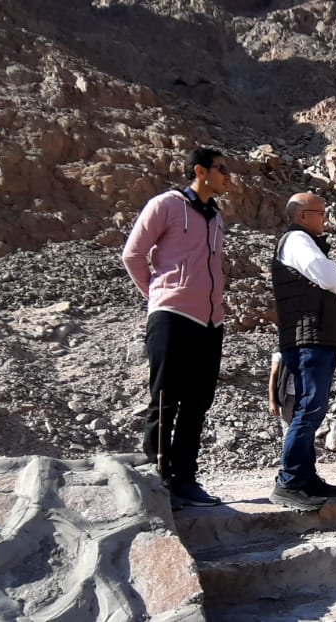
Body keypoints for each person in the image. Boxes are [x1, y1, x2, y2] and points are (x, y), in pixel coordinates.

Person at [121, 147, 231, 508]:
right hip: (171, 315)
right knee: (165, 398)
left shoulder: (216, 216)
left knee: (198, 402)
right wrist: (159, 295)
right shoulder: (166, 205)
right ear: (200, 171)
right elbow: (133, 254)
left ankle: (185, 480)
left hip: (211, 321)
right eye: (221, 169)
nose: (227, 176)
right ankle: (157, 480)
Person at [268, 192, 336, 512]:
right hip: (308, 340)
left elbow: (329, 281)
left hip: (316, 338)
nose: (325, 219)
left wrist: (335, 281)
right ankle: (289, 481)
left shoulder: (307, 242)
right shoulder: (297, 240)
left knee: (312, 409)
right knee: (307, 410)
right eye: (320, 212)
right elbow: (331, 278)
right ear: (303, 215)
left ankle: (305, 477)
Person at [268, 352, 294, 436]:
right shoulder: (280, 354)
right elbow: (273, 376)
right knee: (288, 429)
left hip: (305, 396)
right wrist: (272, 401)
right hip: (288, 397)